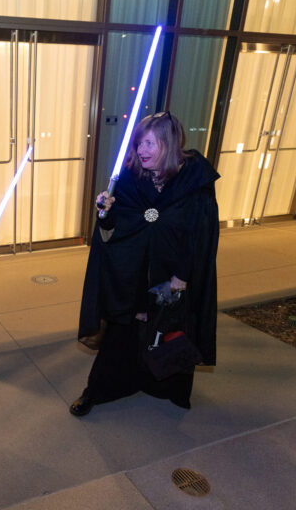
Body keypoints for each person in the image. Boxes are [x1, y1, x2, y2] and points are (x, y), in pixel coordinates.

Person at [70, 111, 219, 415]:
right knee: (121, 335)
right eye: (139, 143)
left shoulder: (194, 179)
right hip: (133, 271)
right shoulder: (130, 176)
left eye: (150, 143)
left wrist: (182, 276)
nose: (142, 151)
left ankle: (165, 386)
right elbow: (114, 226)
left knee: (167, 332)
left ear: (170, 143)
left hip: (173, 272)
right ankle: (97, 391)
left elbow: (200, 233)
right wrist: (105, 211)